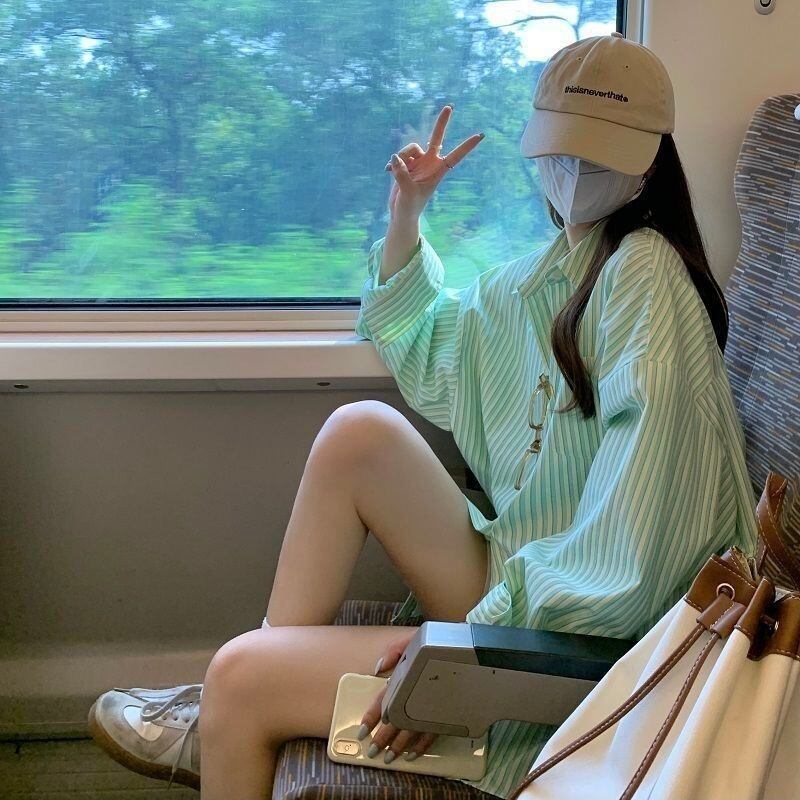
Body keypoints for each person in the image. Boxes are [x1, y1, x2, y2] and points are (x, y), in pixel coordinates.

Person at [87, 33, 759, 800]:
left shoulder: (648, 277)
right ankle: (234, 710)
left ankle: (230, 713)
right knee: (358, 433)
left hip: (597, 647)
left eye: (600, 152)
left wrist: (466, 648)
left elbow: (636, 555)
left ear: (650, 160)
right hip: (530, 579)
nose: (576, 170)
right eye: (565, 148)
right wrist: (407, 211)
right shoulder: (547, 277)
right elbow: (431, 340)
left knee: (239, 675)